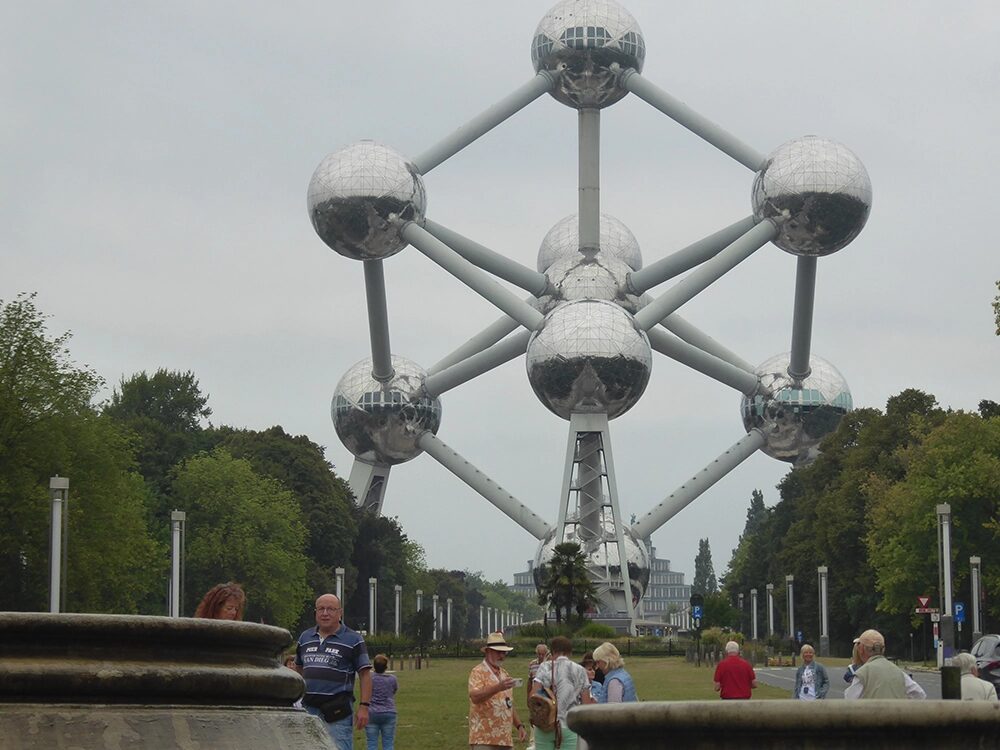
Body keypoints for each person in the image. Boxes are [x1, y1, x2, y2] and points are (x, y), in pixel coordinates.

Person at [296, 593, 372, 749]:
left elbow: (365, 674)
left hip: (338, 711)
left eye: (330, 609)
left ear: (340, 612)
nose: (325, 613)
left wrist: (364, 707)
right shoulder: (305, 637)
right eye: (321, 609)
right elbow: (298, 669)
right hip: (308, 709)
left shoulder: (353, 639)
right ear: (315, 612)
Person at [532, 635, 595, 750]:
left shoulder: (544, 667)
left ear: (552, 652)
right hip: (569, 725)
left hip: (546, 723)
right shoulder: (580, 670)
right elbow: (586, 704)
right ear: (570, 653)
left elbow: (533, 695)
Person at [468, 631, 527, 750]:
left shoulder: (504, 674)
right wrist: (497, 687)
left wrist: (519, 725)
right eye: (498, 652)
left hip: (505, 739)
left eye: (504, 652)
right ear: (488, 652)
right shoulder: (478, 672)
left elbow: (508, 703)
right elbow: (475, 697)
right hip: (484, 738)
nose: (502, 655)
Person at [844, 629, 926, 700]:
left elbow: (850, 701)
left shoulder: (863, 673)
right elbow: (920, 695)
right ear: (883, 649)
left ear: (861, 649)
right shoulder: (899, 672)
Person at [366, 653, 398, 750]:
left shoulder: (370, 678)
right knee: (388, 742)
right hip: (389, 711)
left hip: (372, 712)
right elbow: (394, 690)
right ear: (386, 667)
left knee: (372, 742)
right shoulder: (392, 679)